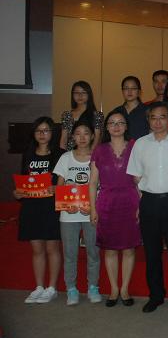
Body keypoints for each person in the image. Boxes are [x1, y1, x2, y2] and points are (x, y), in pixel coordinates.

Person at [126, 101, 168, 313]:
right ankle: (155, 295)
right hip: (149, 202)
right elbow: (135, 175)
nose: (157, 122)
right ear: (148, 120)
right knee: (152, 253)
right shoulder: (140, 144)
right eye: (153, 118)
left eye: (162, 117)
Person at [88, 112, 141, 307]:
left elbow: (141, 179)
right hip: (107, 203)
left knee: (128, 249)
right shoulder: (99, 150)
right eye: (112, 123)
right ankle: (113, 289)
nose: (116, 126)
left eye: (120, 123)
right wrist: (93, 209)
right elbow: (93, 183)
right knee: (109, 250)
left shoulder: (136, 147)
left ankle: (125, 289)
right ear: (107, 127)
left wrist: (141, 205)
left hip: (130, 201)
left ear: (126, 126)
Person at [16, 117, 63, 304]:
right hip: (31, 207)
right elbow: (23, 179)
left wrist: (57, 188)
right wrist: (18, 192)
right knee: (37, 249)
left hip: (51, 207)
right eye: (38, 131)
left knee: (52, 248)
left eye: (46, 130)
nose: (42, 134)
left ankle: (52, 288)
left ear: (52, 133)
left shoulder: (60, 154)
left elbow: (66, 182)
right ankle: (39, 286)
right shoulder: (28, 154)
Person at [54, 121, 101, 306]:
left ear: (92, 136)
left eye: (86, 133)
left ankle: (93, 287)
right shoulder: (66, 157)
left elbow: (101, 186)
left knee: (93, 252)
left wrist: (94, 207)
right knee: (70, 253)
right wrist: (65, 204)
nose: (82, 137)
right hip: (68, 214)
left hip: (91, 213)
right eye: (78, 133)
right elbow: (60, 185)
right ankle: (71, 289)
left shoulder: (97, 157)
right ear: (72, 137)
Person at [60, 80, 103, 150]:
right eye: (76, 92)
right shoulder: (67, 115)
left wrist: (90, 154)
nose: (80, 95)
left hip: (89, 152)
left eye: (83, 92)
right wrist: (63, 154)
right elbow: (64, 139)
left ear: (89, 95)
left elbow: (97, 138)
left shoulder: (97, 115)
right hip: (70, 153)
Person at [111, 76, 149, 140]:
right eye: (126, 88)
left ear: (139, 91)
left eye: (133, 88)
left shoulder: (148, 110)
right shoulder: (116, 112)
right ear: (122, 91)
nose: (129, 91)